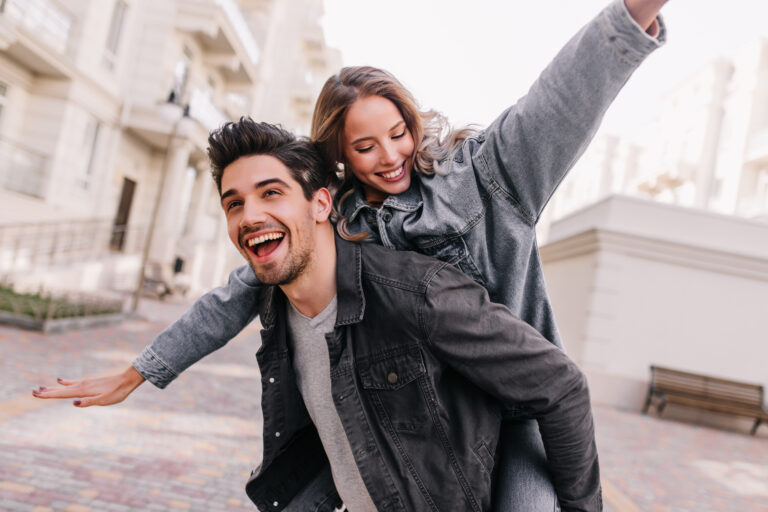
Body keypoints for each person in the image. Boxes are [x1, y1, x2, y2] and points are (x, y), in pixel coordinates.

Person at [34, 0, 667, 509]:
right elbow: (240, 291)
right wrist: (142, 370)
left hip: (518, 406)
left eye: (398, 133)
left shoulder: (488, 178)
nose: (389, 157)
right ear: (339, 154)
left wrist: (634, 14)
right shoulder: (339, 217)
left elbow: (564, 95)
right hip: (432, 420)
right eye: (365, 147)